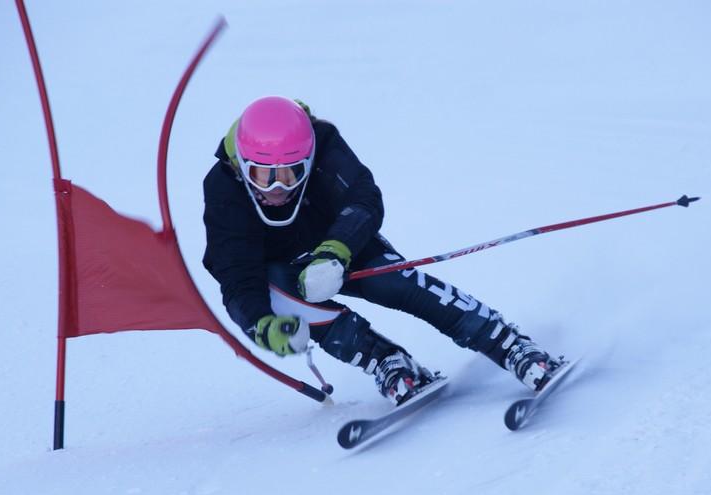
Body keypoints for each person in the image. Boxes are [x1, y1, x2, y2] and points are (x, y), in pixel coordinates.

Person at [202, 96, 563, 405]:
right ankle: (386, 361)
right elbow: (234, 273)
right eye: (264, 176)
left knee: (393, 282)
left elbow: (363, 198)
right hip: (285, 273)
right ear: (241, 165)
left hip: (343, 245)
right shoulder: (223, 188)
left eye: (292, 174)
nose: (278, 188)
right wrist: (260, 325)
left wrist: (335, 251)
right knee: (277, 294)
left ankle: (508, 343)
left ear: (308, 160)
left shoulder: (324, 142)